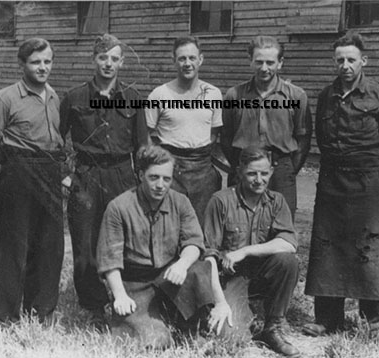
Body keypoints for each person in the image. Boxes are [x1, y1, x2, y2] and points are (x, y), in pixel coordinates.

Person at [303, 31, 379, 342]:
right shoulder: (326, 96)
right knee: (327, 248)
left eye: (351, 59)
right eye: (340, 60)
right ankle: (327, 318)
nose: (345, 65)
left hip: (367, 183)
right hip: (332, 181)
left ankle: (374, 319)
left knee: (369, 247)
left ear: (364, 61)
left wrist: (375, 172)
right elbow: (321, 136)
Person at [59, 34, 149, 326]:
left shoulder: (134, 98)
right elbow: (55, 141)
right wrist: (65, 174)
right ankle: (93, 306)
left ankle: (125, 299)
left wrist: (142, 183)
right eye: (102, 58)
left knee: (124, 240)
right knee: (85, 243)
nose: (108, 64)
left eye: (114, 59)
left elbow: (143, 146)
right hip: (87, 174)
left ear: (122, 62)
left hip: (123, 174)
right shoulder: (74, 98)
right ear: (93, 59)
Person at [0, 38, 65, 324]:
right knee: (16, 248)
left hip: (49, 174)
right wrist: (14, 163)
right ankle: (6, 317)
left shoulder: (54, 97)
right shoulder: (5, 98)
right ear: (22, 64)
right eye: (36, 62)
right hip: (18, 176)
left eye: (47, 61)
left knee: (50, 246)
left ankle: (41, 313)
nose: (43, 68)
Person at [96, 145, 214, 348]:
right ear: (141, 175)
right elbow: (109, 259)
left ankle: (189, 328)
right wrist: (120, 295)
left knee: (198, 269)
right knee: (156, 341)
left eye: (166, 179)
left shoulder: (180, 202)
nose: (161, 185)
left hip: (168, 276)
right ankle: (155, 324)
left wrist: (182, 264)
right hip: (135, 283)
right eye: (154, 177)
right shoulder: (119, 207)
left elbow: (194, 242)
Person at [203, 146, 300, 357]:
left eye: (264, 173)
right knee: (229, 338)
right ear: (239, 172)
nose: (259, 180)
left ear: (271, 173)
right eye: (252, 173)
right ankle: (244, 318)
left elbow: (289, 243)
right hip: (231, 279)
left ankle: (272, 327)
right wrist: (220, 301)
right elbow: (208, 256)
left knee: (287, 261)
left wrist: (245, 251)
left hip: (262, 275)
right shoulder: (220, 201)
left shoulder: (276, 201)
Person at [221, 36, 312, 220]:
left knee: (280, 226)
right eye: (259, 62)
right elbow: (226, 137)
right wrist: (239, 164)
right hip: (244, 168)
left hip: (280, 171)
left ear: (280, 63)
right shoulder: (234, 95)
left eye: (270, 62)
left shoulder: (296, 95)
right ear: (250, 62)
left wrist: (289, 169)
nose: (264, 68)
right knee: (239, 223)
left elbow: (303, 138)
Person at [145, 36, 222, 224]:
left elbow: (214, 132)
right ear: (174, 61)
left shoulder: (213, 93)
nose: (187, 64)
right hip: (171, 168)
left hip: (203, 169)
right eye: (182, 58)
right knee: (168, 224)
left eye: (192, 58)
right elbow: (146, 134)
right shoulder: (159, 94)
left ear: (200, 60)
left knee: (202, 226)